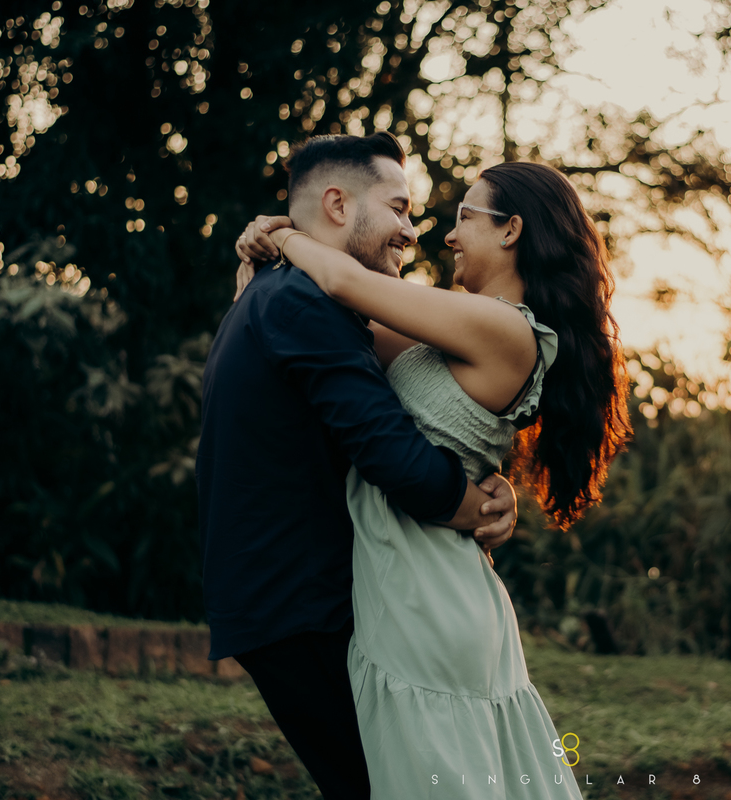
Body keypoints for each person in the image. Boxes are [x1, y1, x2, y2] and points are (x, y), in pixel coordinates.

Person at [235, 158, 633, 798]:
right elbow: (345, 332)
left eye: (464, 219)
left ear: (511, 232)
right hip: (422, 579)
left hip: (424, 594)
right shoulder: (459, 327)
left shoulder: (501, 326)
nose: (446, 236)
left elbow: (339, 282)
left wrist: (279, 232)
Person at [198, 131, 519, 800]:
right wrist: (475, 506)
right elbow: (390, 452)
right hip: (303, 608)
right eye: (399, 208)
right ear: (339, 206)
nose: (410, 228)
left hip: (287, 604)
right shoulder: (302, 304)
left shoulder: (279, 296)